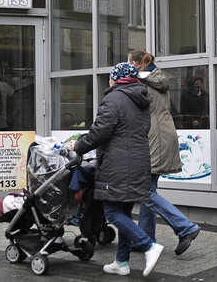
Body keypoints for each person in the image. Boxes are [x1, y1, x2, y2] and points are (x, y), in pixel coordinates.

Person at [71, 62, 163, 277]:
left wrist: (78, 145)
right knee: (124, 212)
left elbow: (100, 131)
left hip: (118, 165)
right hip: (138, 161)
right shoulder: (141, 99)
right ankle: (121, 262)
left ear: (115, 78)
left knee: (112, 212)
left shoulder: (114, 97)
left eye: (110, 77)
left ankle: (149, 246)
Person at [128, 50, 201, 255]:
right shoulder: (155, 78)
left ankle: (186, 228)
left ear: (136, 64)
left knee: (145, 191)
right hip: (161, 135)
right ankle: (146, 240)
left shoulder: (141, 82)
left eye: (128, 63)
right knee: (148, 190)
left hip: (154, 137)